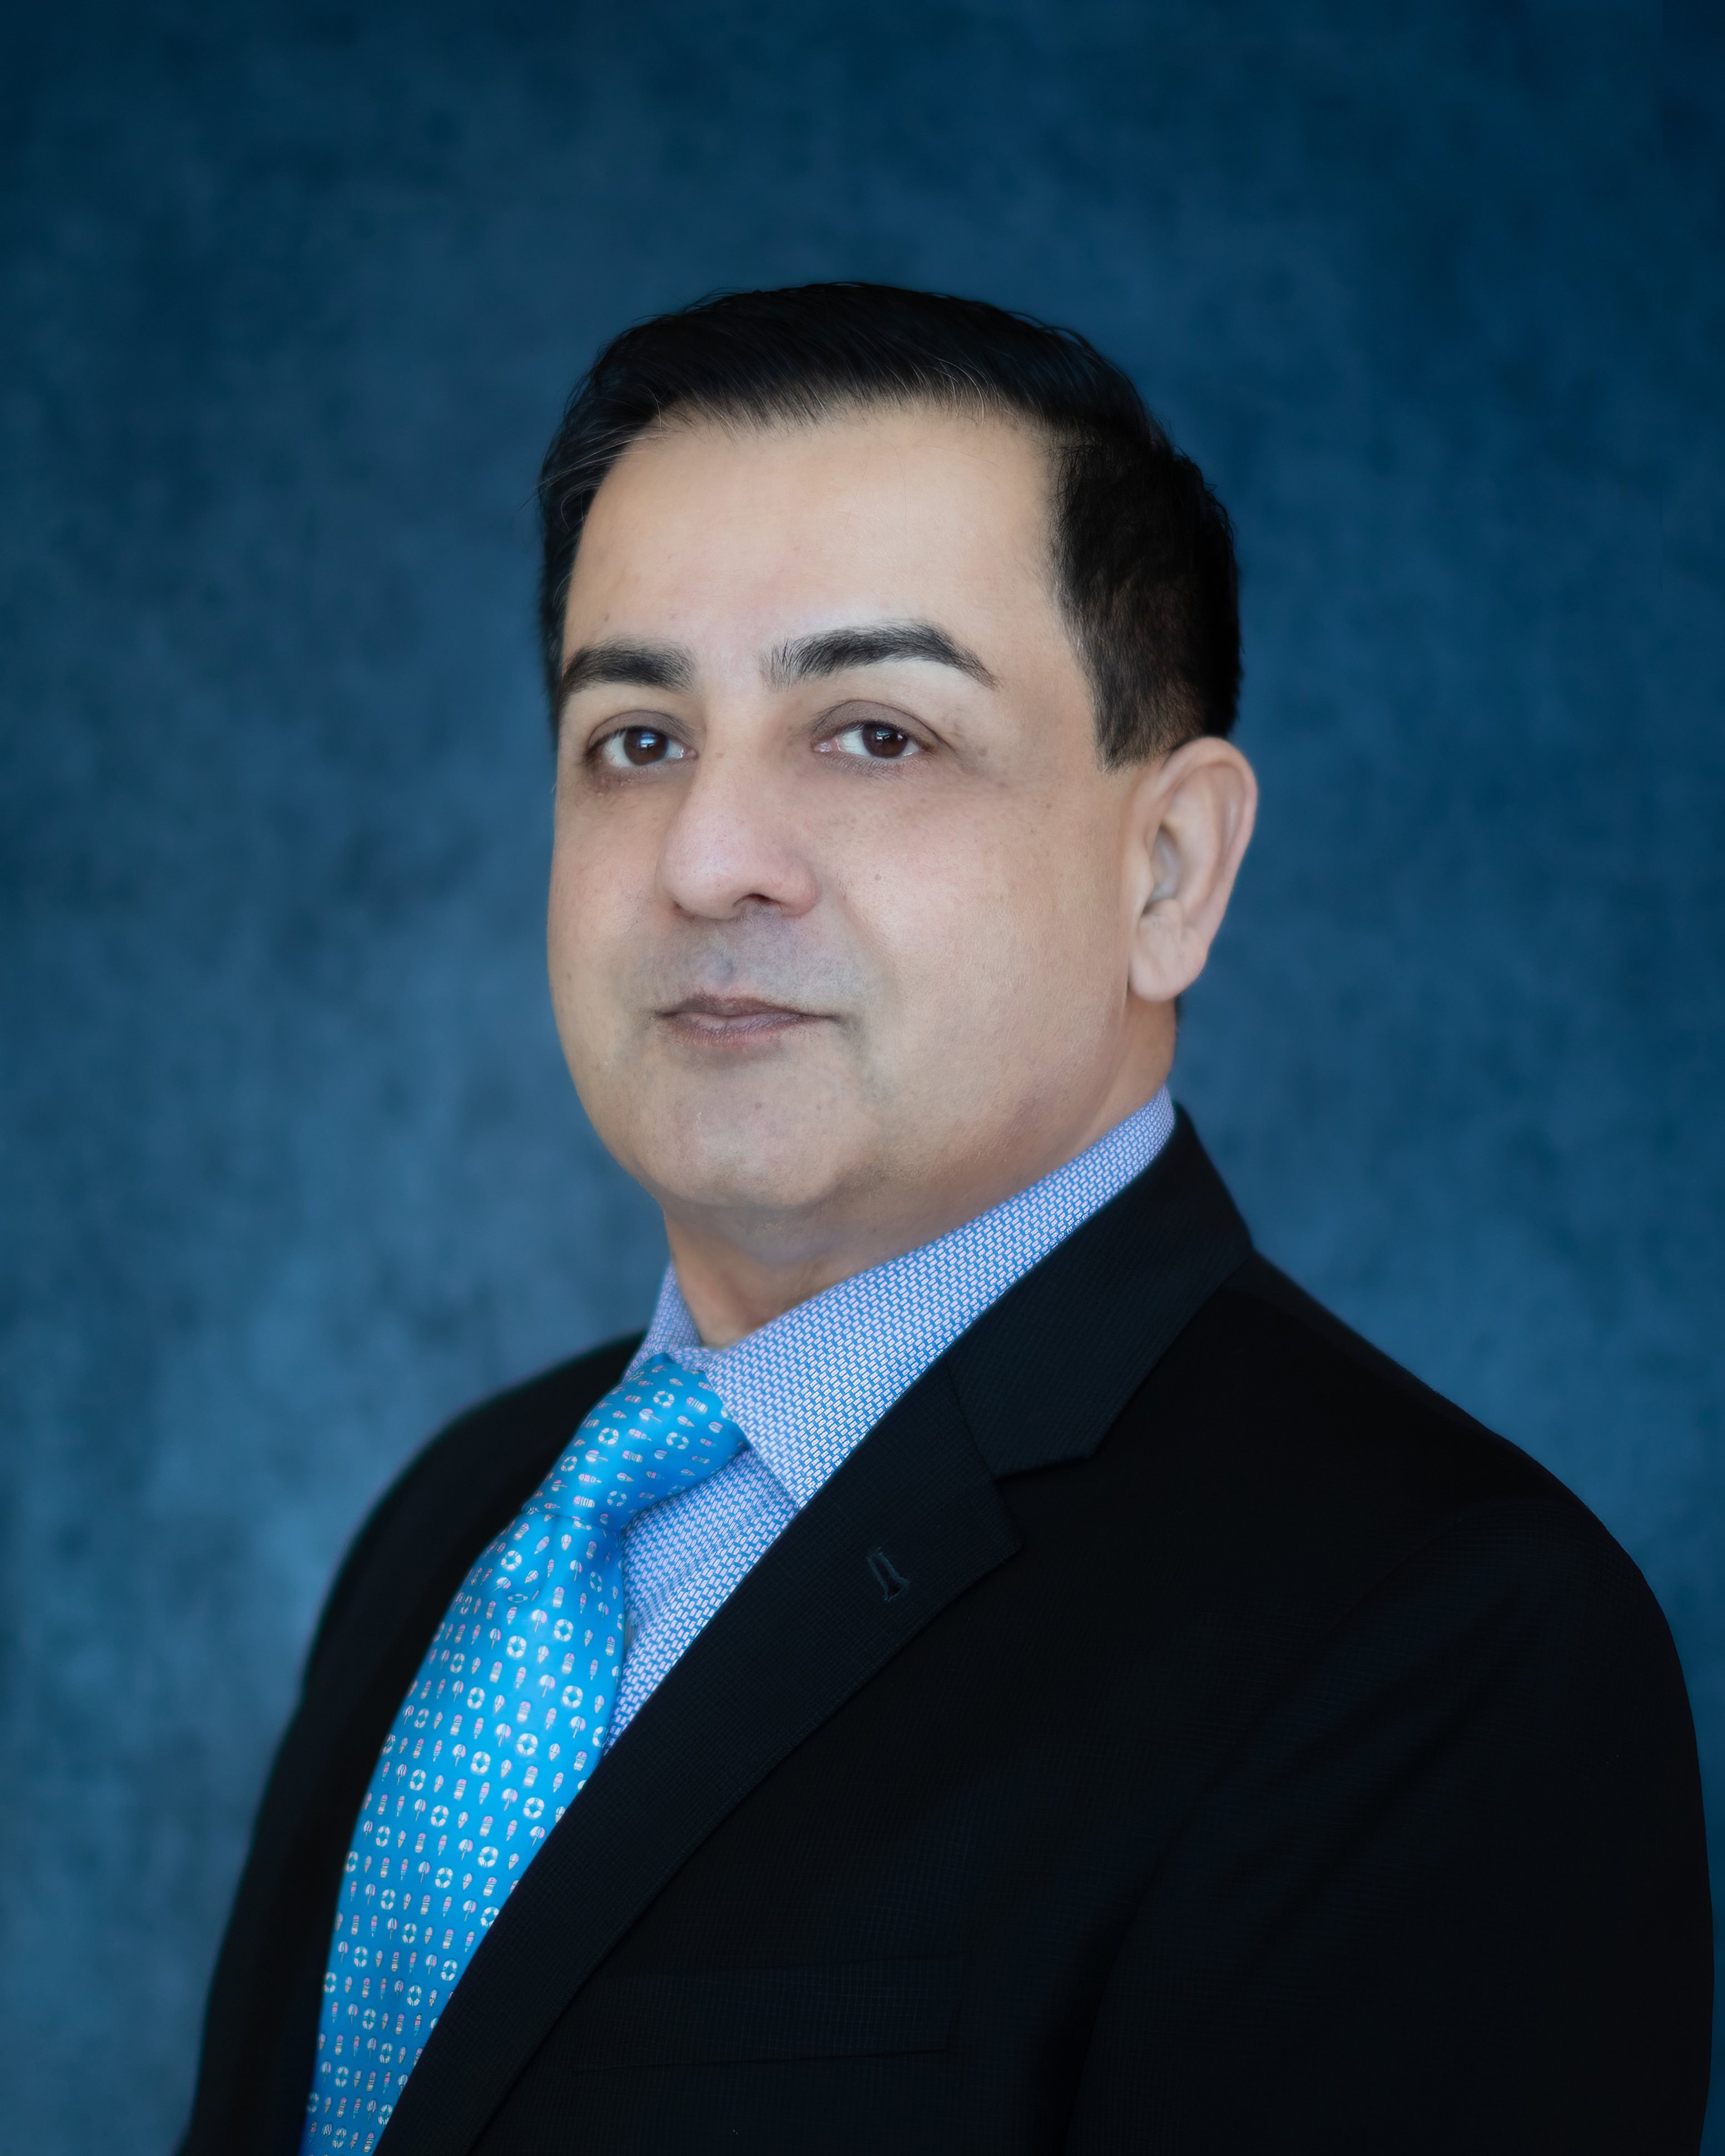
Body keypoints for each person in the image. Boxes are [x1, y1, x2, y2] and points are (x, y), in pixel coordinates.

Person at [181, 286, 1712, 2156]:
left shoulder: (1441, 1643)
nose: (707, 858)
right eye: (637, 739)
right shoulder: (462, 1521)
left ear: (1168, 870)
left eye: (875, 735)